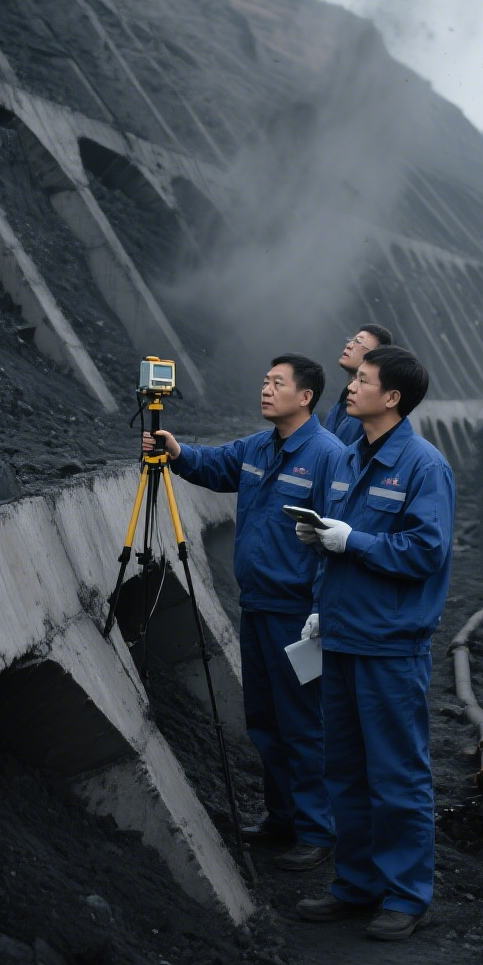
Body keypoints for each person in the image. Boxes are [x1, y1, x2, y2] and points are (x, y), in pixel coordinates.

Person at [144, 354, 344, 871]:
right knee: (265, 719)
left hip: (298, 614)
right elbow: (216, 465)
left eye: (277, 383)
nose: (266, 389)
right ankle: (282, 817)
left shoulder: (328, 457)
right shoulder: (258, 447)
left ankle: (318, 830)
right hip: (255, 606)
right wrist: (178, 451)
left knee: (303, 722)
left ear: (305, 397)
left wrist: (322, 611)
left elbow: (336, 544)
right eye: (264, 380)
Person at [293, 344, 454, 940]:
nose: (351, 387)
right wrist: (318, 606)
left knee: (396, 775)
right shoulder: (350, 459)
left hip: (390, 646)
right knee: (346, 769)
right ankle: (355, 886)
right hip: (341, 637)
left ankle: (407, 896)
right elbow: (332, 544)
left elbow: (425, 552)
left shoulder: (423, 466)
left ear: (393, 397)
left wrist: (351, 541)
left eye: (363, 380)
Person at [322, 322, 393, 447]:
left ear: (376, 356)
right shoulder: (344, 399)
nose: (349, 345)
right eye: (351, 340)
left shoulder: (372, 412)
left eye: (358, 342)